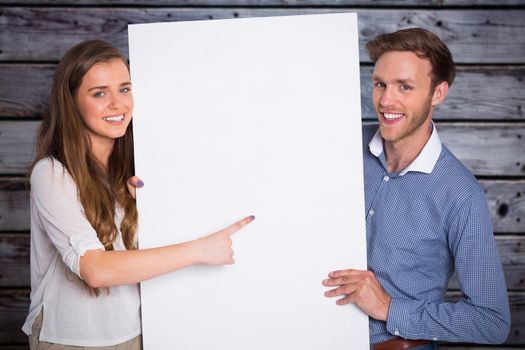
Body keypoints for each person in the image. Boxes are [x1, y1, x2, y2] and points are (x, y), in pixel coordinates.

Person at [21, 39, 254, 349]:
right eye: (99, 93)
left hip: (139, 334)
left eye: (125, 89)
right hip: (69, 340)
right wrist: (200, 250)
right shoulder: (51, 173)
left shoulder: (137, 170)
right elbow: (95, 269)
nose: (118, 105)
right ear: (72, 102)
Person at [322, 28, 510, 349]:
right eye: (380, 83)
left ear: (438, 94)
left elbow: (491, 321)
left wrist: (389, 308)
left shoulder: (460, 194)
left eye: (404, 86)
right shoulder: (341, 144)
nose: (385, 100)